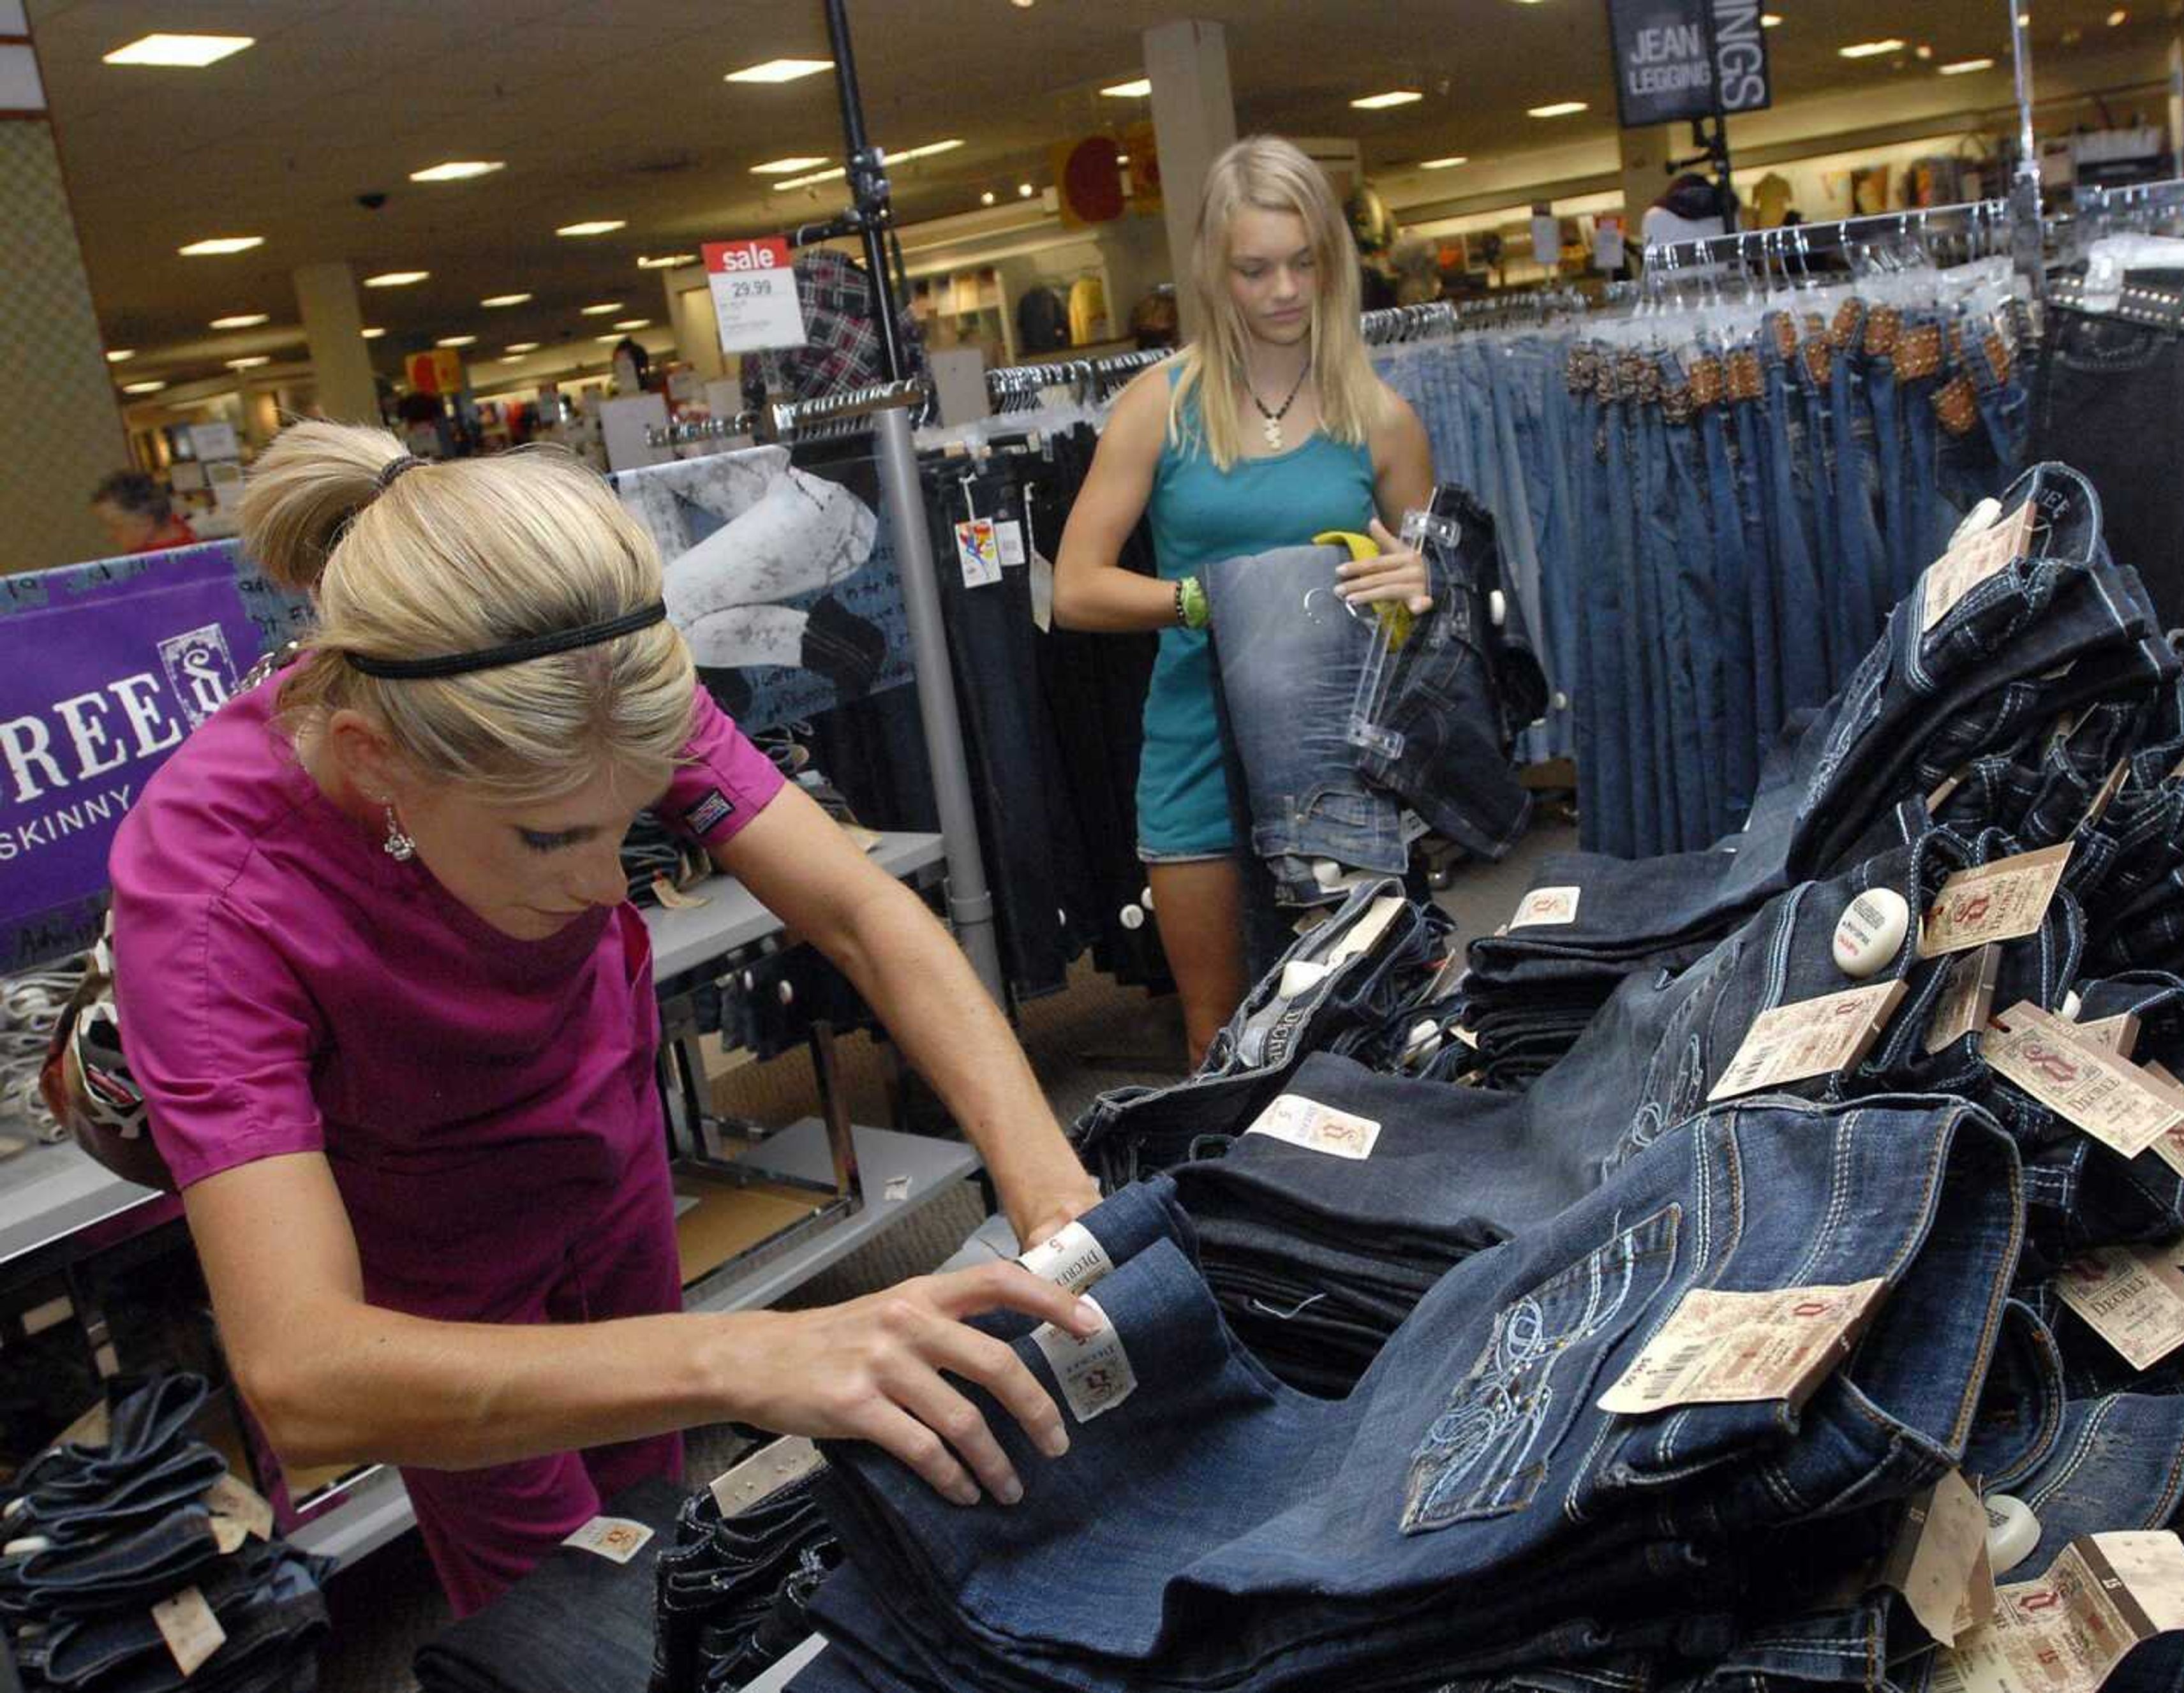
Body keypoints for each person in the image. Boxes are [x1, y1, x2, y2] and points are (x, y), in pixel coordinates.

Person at [107, 422, 1106, 1616]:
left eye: (628, 824)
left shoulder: (583, 686)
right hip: (435, 1290)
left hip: (613, 1157)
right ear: (375, 763)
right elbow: (303, 1369)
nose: (602, 885)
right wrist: (755, 1352)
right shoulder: (213, 888)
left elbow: (857, 910)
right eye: (549, 837)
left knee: (657, 1525)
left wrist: (1050, 1185)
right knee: (571, 1612)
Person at [1051, 136, 1435, 1068]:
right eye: (1256, 269)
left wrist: (1420, 587)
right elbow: (1074, 588)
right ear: (1215, 274)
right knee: (1219, 1038)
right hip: (1195, 741)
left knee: (1361, 1022)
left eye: (1305, 262)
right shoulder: (1160, 404)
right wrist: (1209, 599)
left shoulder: (1376, 414)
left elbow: (1437, 586)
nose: (1285, 290)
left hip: (1339, 755)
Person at [90, 469, 197, 555]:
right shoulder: (176, 524)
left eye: (115, 526)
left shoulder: (156, 562)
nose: (110, 536)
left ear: (147, 522)